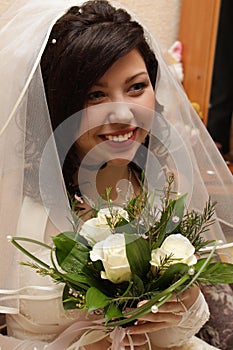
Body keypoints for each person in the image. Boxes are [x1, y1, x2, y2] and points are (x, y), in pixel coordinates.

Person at [0, 0, 233, 349]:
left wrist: (184, 306)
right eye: (96, 95)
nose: (124, 113)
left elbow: (184, 329)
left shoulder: (168, 184)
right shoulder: (11, 196)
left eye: (137, 87)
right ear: (57, 103)